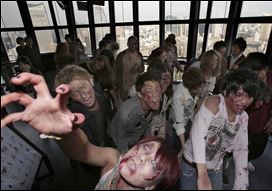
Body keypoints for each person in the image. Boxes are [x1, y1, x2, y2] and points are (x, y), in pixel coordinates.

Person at [1, 72, 180, 190]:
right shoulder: (113, 159)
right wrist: (62, 131)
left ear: (152, 187)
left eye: (154, 164)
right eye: (146, 148)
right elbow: (82, 149)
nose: (142, 157)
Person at [180, 68, 260, 190]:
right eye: (238, 95)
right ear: (226, 91)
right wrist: (202, 175)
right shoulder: (214, 103)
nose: (244, 101)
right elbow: (197, 137)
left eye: (249, 96)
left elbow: (241, 150)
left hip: (215, 168)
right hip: (192, 166)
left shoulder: (243, 118)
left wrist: (241, 185)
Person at [239, 52, 272, 172]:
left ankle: (246, 159)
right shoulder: (245, 80)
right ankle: (231, 161)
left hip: (263, 121)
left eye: (265, 69)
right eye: (259, 70)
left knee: (258, 149)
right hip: (245, 120)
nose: (263, 74)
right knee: (238, 145)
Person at [107, 71, 162, 152]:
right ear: (139, 94)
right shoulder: (126, 113)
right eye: (149, 91)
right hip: (115, 142)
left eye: (157, 90)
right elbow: (119, 139)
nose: (156, 95)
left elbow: (148, 128)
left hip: (134, 139)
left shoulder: (153, 105)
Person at [168, 67, 206, 153]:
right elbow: (179, 124)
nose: (203, 89)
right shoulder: (179, 95)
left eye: (203, 85)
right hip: (176, 124)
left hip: (190, 119)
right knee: (176, 148)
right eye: (200, 87)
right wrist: (183, 148)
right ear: (191, 88)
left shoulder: (198, 87)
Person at [115, 36, 144, 100]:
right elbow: (118, 73)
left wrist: (139, 68)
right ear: (127, 44)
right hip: (125, 86)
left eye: (135, 44)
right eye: (131, 44)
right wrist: (120, 88)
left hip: (136, 85)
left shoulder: (139, 54)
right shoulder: (121, 56)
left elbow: (142, 69)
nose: (133, 46)